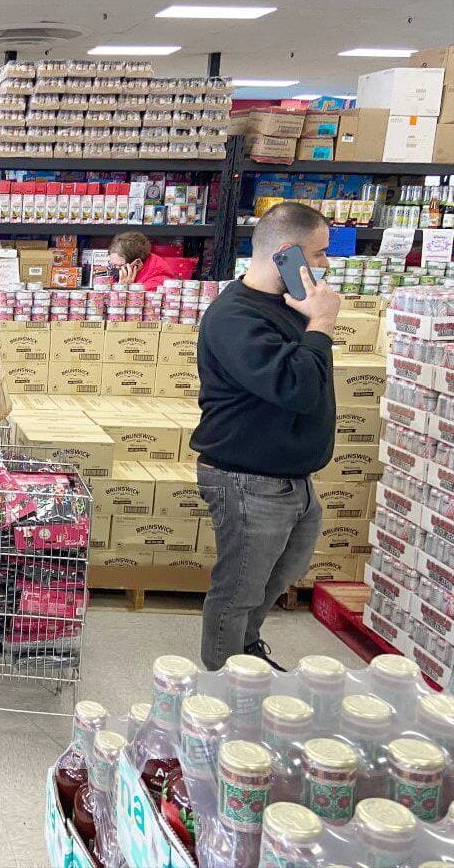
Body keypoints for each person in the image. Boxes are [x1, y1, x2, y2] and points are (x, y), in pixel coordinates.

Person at [190, 202, 340, 672]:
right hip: (247, 481)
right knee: (239, 590)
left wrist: (312, 322)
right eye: (318, 254)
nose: (325, 265)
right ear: (287, 255)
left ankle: (246, 655)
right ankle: (221, 688)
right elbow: (296, 387)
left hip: (291, 480)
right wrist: (321, 324)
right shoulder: (235, 316)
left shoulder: (287, 308)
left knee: (275, 581)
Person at [108, 231, 177, 291]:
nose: (115, 269)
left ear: (136, 264)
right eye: (113, 265)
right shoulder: (119, 277)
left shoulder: (157, 284)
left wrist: (125, 290)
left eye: (119, 266)